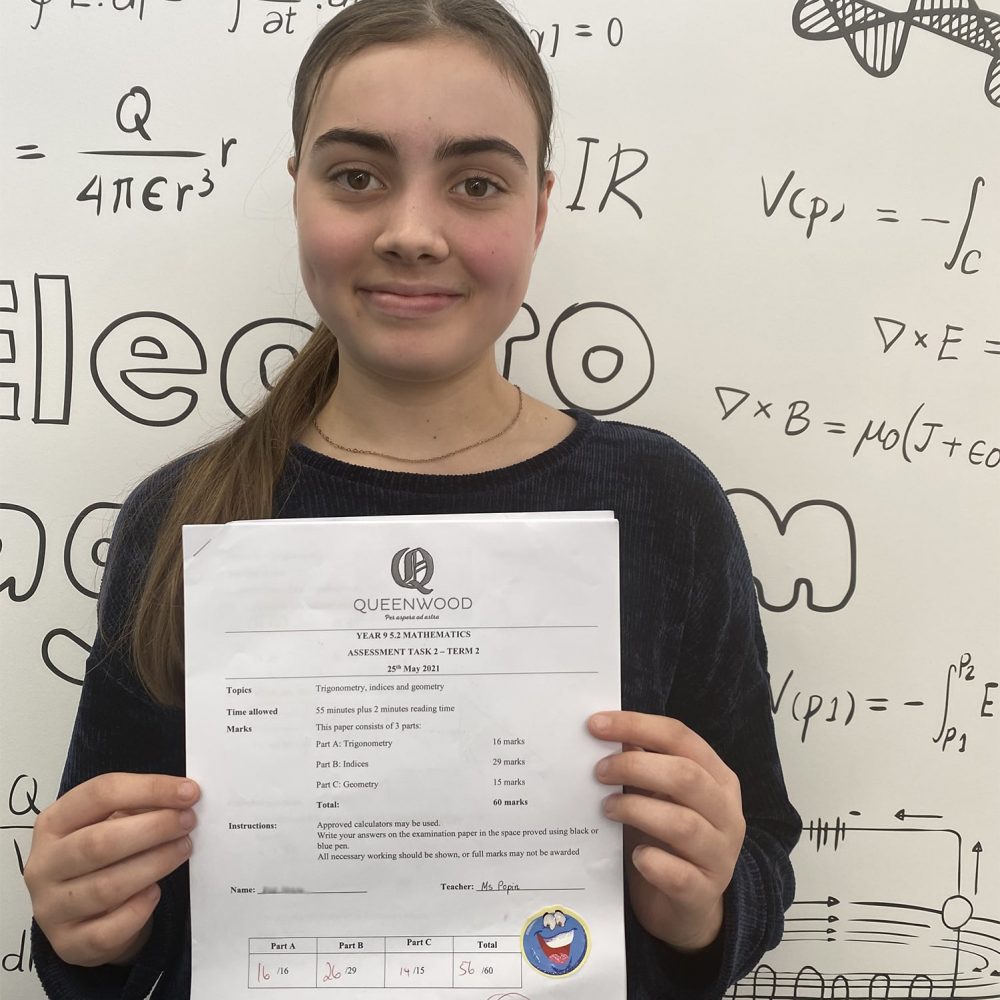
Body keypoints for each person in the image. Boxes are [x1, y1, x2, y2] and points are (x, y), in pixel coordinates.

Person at [25, 1, 801, 998]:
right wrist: (86, 938)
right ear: (298, 190)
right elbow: (115, 925)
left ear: (538, 208)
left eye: (476, 182)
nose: (412, 232)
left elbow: (763, 847)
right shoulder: (182, 516)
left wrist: (706, 905)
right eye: (356, 175)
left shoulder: (661, 502)